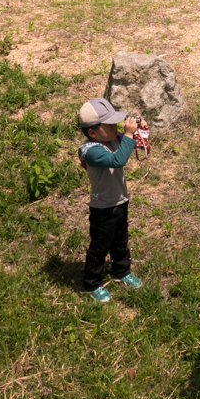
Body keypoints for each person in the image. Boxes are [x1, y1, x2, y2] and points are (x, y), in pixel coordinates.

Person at [77, 97, 146, 303]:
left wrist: (138, 126)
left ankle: (122, 270)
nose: (115, 127)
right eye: (108, 124)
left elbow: (126, 142)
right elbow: (118, 160)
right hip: (103, 208)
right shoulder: (91, 151)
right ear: (92, 132)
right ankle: (92, 283)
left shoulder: (111, 138)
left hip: (120, 201)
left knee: (120, 241)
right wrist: (127, 134)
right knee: (99, 246)